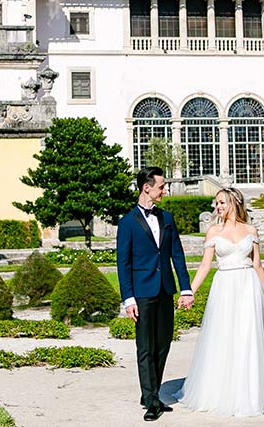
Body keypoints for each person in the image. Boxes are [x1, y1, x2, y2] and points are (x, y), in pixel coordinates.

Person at [174, 187, 264, 417]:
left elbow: (258, 265)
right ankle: (219, 391)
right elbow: (204, 266)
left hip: (247, 286)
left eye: (221, 202)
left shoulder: (251, 230)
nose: (218, 207)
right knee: (222, 336)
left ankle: (248, 395)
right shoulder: (213, 232)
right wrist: (188, 292)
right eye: (216, 203)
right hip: (223, 287)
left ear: (234, 203)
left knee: (246, 336)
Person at [117, 166, 194, 422]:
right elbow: (123, 263)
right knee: (145, 348)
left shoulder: (167, 218)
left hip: (165, 289)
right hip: (142, 293)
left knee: (163, 345)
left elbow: (178, 256)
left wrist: (185, 287)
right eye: (161, 186)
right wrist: (128, 298)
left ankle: (150, 390)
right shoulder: (127, 223)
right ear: (146, 188)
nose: (165, 190)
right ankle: (151, 400)